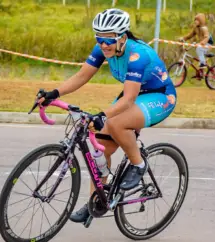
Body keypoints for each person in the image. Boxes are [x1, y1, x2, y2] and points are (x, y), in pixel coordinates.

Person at [36, 8, 177, 224]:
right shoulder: (103, 48)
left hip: (160, 96)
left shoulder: (138, 55)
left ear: (122, 37)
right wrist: (54, 93)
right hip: (135, 95)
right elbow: (82, 75)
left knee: (116, 122)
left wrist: (102, 114)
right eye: (99, 38)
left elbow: (129, 99)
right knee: (98, 150)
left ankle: (138, 164)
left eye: (109, 39)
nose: (103, 44)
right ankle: (97, 200)